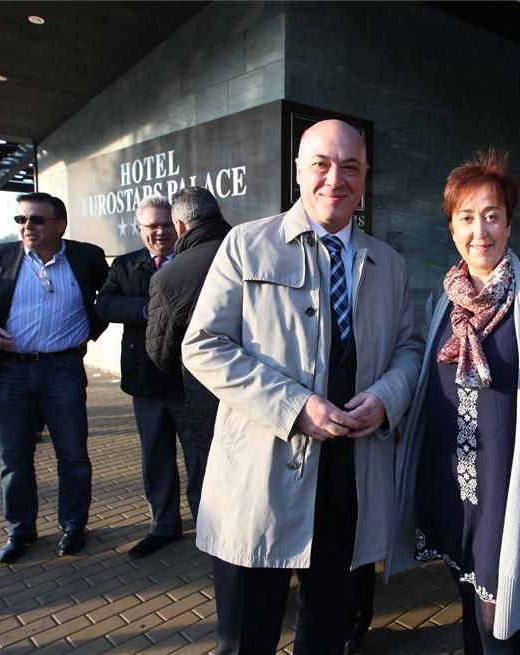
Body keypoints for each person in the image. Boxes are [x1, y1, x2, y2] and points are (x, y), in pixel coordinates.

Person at [181, 119, 423, 654]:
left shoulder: (392, 265)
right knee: (247, 638)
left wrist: (387, 398)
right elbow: (203, 345)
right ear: (298, 171)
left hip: (351, 479)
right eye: (321, 163)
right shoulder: (246, 245)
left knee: (328, 632)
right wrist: (294, 406)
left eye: (350, 166)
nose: (335, 178)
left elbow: (411, 350)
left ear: (365, 177)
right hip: (261, 478)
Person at [388, 149, 520, 653]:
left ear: (510, 223)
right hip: (455, 489)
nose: (481, 231)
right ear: (452, 228)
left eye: (492, 216)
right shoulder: (446, 298)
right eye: (467, 218)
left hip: (509, 492)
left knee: (501, 625)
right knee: (469, 611)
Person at [0, 192, 109, 564]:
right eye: (21, 220)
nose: (28, 227)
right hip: (9, 372)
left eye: (37, 220)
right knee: (14, 458)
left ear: (61, 224)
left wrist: (89, 332)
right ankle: (20, 530)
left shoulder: (86, 256)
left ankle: (74, 525)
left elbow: (108, 298)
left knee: (73, 454)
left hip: (63, 370)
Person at [95, 195, 196, 559]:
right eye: (151, 226)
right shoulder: (125, 266)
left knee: (198, 458)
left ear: (178, 227)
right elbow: (104, 304)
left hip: (190, 381)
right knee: (156, 457)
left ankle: (209, 525)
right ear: (139, 230)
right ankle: (163, 526)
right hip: (146, 381)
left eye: (166, 225)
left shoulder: (193, 260)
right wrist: (146, 309)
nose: (159, 232)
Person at [146, 186, 231, 480]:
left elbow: (162, 354)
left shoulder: (169, 276)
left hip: (206, 395)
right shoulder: (259, 252)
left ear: (180, 226)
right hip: (270, 394)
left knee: (214, 482)